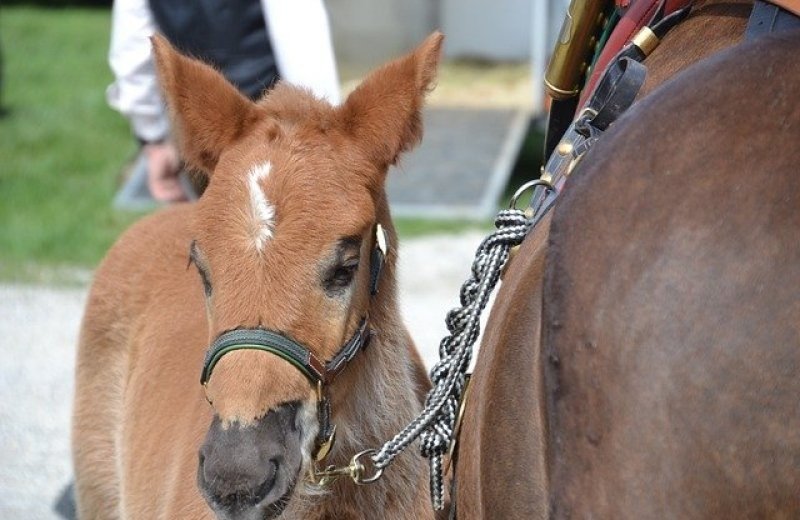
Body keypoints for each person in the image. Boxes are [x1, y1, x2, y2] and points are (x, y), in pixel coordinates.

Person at [107, 0, 341, 202]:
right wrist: (323, 125)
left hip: (200, 121)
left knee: (220, 240)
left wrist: (153, 139)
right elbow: (299, 29)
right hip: (275, 117)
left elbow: (133, 45)